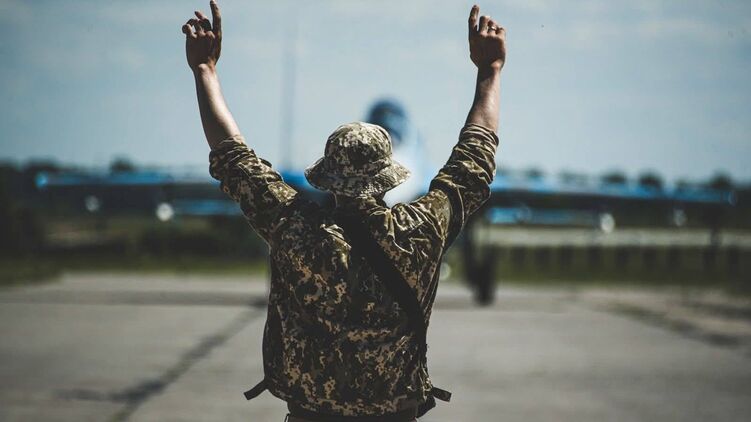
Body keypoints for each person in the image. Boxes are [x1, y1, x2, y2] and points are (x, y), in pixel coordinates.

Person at [181, 1, 506, 420]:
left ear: (328, 175)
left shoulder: (293, 226)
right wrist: (490, 71)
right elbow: (473, 161)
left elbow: (233, 158)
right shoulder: (421, 231)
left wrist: (204, 70)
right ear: (388, 176)